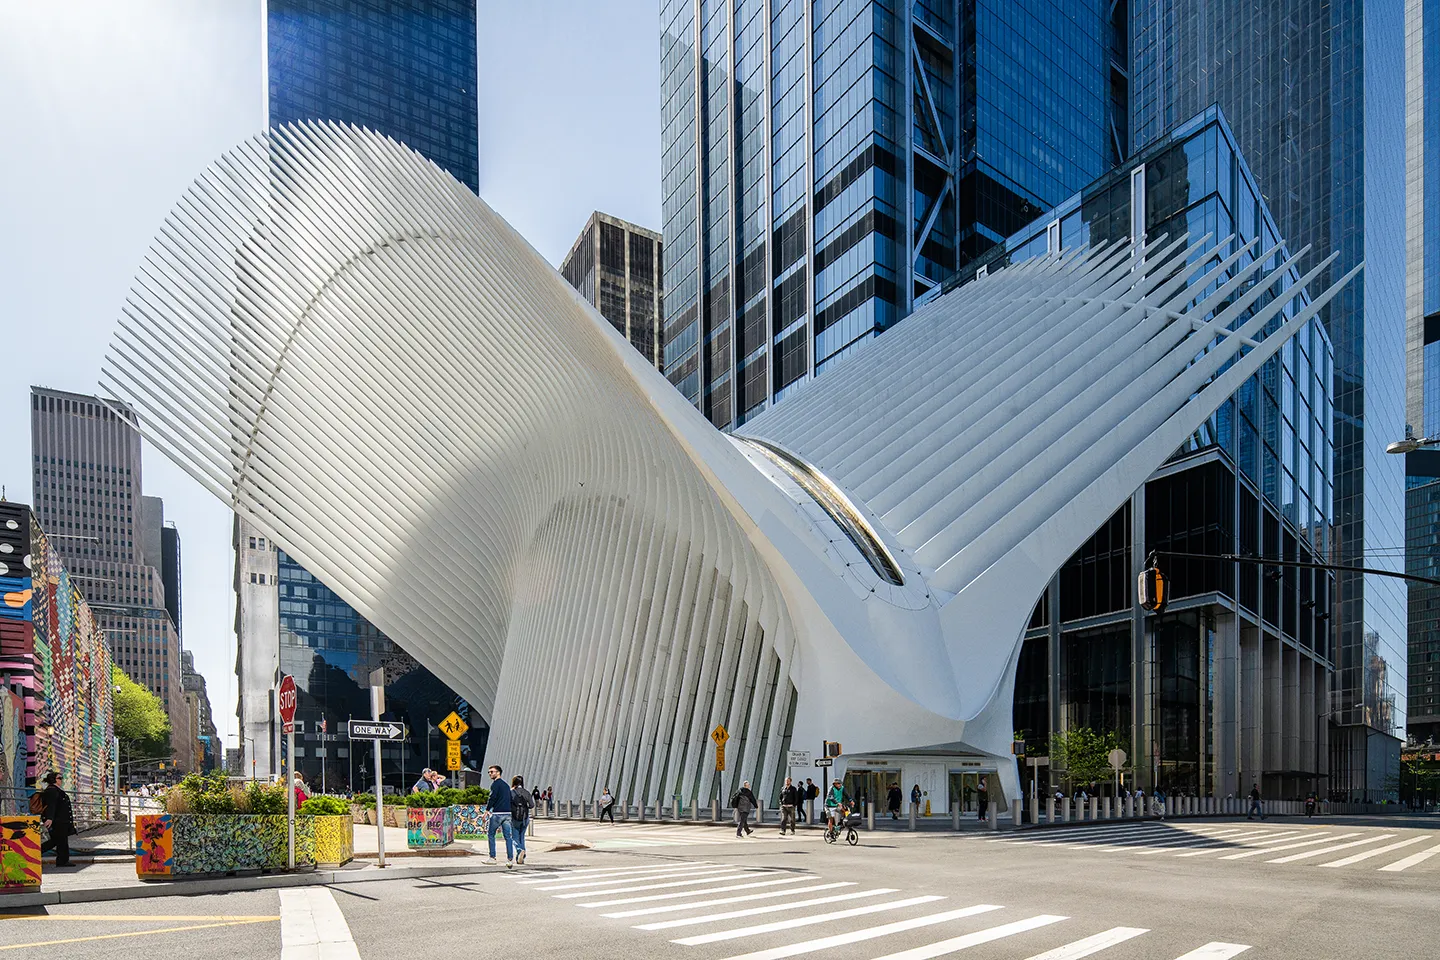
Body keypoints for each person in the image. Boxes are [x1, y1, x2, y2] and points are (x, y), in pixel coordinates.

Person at [38, 773, 74, 868]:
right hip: (57, 821)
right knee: (60, 841)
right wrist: (49, 818)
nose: (61, 780)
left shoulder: (55, 790)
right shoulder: (52, 791)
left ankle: (62, 860)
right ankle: (62, 861)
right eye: (59, 778)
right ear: (54, 779)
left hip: (61, 820)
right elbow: (51, 805)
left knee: (58, 841)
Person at [485, 763, 516, 867]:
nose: (490, 774)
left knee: (491, 834)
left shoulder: (495, 784)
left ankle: (492, 857)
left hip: (498, 813)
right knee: (508, 837)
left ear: (498, 773)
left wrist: (487, 809)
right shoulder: (506, 785)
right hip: (507, 814)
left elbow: (492, 798)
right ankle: (510, 859)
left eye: (492, 772)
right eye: (489, 772)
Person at [510, 775, 533, 865]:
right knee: (521, 837)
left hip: (514, 818)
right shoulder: (526, 792)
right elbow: (532, 805)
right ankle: (522, 857)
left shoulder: (511, 792)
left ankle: (519, 851)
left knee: (514, 837)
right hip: (524, 817)